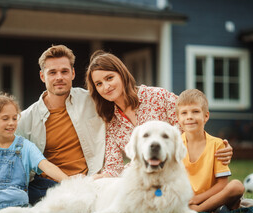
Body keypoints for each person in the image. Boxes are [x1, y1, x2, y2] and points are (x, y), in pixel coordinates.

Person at [0, 45, 105, 204]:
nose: (59, 77)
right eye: (52, 72)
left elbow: (123, 95)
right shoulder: (25, 119)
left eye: (64, 71)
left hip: (87, 180)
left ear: (72, 73)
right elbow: (5, 155)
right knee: (11, 192)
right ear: (42, 76)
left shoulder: (93, 101)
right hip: (45, 186)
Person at [85, 50, 233, 178]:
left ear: (122, 74)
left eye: (109, 78)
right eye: (99, 84)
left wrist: (218, 148)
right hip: (147, 178)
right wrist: (103, 177)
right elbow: (113, 165)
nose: (106, 86)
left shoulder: (158, 96)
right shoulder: (110, 120)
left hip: (185, 169)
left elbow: (193, 126)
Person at [176, 89, 245, 213]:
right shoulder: (174, 145)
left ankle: (198, 210)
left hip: (209, 197)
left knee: (237, 186)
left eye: (195, 111)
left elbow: (222, 185)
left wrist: (197, 200)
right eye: (184, 113)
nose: (189, 117)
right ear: (178, 118)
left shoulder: (217, 144)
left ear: (206, 116)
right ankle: (214, 208)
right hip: (185, 198)